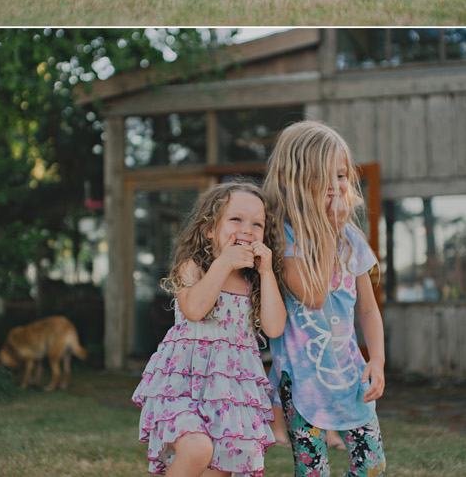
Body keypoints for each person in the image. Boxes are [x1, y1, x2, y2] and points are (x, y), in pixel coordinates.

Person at [133, 179, 286, 476]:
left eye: (257, 224)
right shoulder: (194, 267)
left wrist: (266, 272)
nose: (247, 229)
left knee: (221, 468)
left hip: (230, 389)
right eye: (236, 219)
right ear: (209, 230)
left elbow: (275, 327)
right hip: (182, 386)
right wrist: (223, 264)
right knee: (197, 449)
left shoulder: (252, 281)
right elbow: (194, 309)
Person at [263, 122, 386, 477]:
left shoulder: (352, 240)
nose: (336, 187)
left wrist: (376, 359)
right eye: (323, 179)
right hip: (301, 383)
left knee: (372, 465)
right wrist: (330, 232)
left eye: (342, 176)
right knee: (313, 471)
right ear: (296, 182)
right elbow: (314, 296)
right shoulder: (285, 240)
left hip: (349, 375)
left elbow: (367, 307)